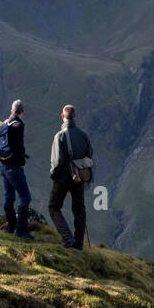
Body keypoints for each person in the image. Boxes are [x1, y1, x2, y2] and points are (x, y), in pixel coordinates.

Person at [49, 104, 92, 250]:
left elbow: (57, 161)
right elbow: (89, 155)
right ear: (75, 116)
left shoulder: (59, 136)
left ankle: (68, 238)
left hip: (62, 179)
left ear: (63, 116)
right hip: (79, 178)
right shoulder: (83, 135)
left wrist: (53, 175)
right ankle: (79, 244)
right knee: (79, 210)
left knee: (54, 207)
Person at [0, 99, 34, 241]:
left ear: (12, 110)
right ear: (22, 112)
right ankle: (21, 230)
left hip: (3, 166)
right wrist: (21, 162)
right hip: (14, 167)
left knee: (9, 197)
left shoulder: (5, 123)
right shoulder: (18, 125)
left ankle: (11, 227)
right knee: (25, 197)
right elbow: (18, 148)